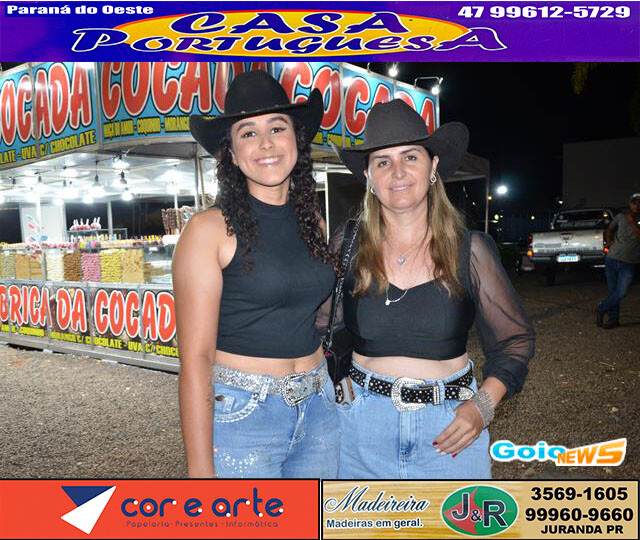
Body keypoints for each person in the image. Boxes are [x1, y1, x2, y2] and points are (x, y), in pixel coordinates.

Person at [328, 99, 535, 479]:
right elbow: (317, 328)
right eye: (383, 162)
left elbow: (515, 341)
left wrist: (483, 406)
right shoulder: (349, 243)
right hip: (360, 431)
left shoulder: (470, 249)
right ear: (369, 176)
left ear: (433, 166)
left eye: (410, 157)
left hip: (451, 430)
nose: (398, 172)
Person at [173, 70, 340, 478]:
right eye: (248, 133)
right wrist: (200, 473)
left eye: (277, 128)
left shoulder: (314, 224)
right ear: (231, 153)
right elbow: (195, 360)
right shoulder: (208, 230)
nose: (266, 143)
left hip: (320, 404)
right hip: (244, 416)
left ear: (296, 139)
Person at [595, 194, 640, 329]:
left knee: (621, 292)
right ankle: (613, 319)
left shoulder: (636, 220)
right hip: (612, 259)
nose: (636, 205)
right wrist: (609, 242)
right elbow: (609, 229)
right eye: (634, 203)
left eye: (639, 203)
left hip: (629, 262)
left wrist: (632, 223)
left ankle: (601, 308)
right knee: (613, 291)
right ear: (630, 204)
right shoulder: (620, 217)